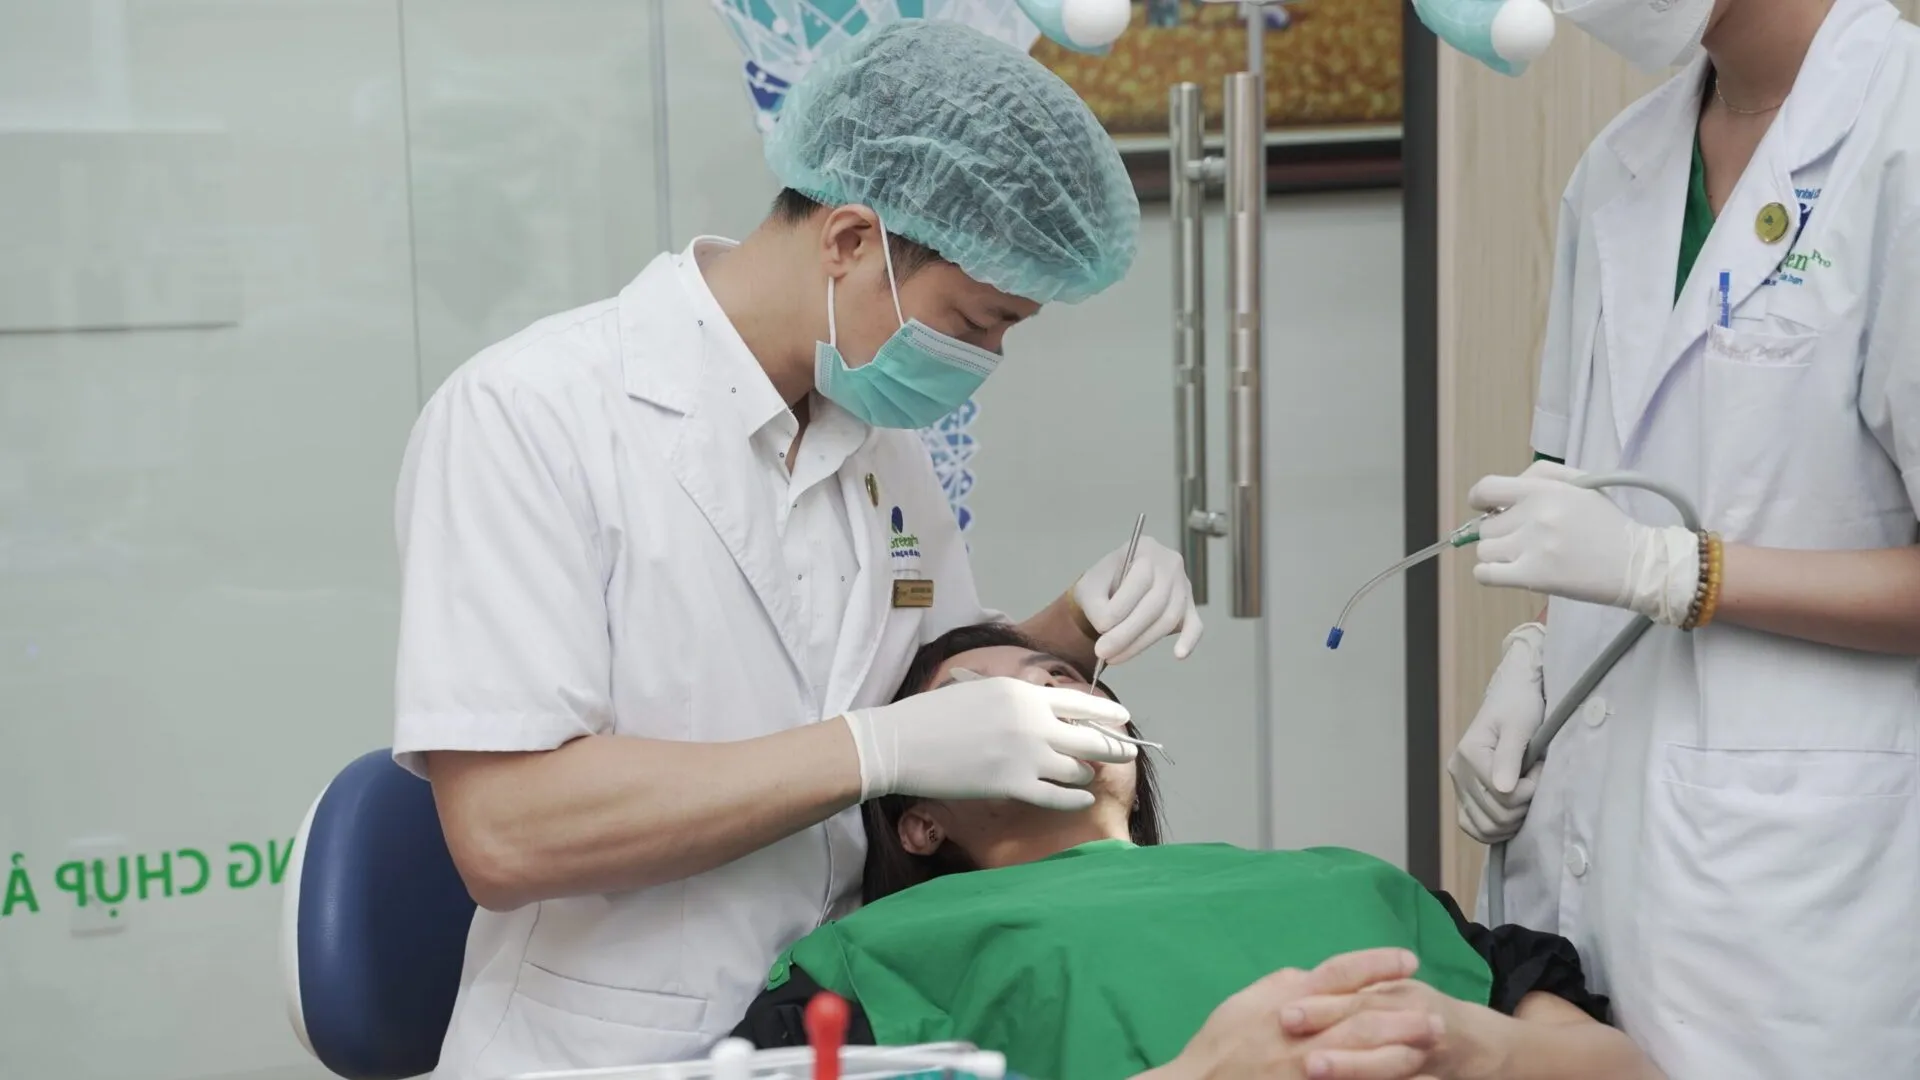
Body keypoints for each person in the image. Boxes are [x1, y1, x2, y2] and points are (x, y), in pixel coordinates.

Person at [390, 21, 1209, 1077]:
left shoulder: (874, 438)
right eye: (976, 321)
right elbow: (507, 834)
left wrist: (1072, 629)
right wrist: (877, 753)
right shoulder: (529, 416)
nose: (987, 357)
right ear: (850, 242)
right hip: (613, 1047)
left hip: (855, 1021)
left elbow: (927, 682)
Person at [1419, 0, 1920, 1074]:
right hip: (1598, 852)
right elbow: (1582, 483)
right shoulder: (1622, 163)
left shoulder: (1902, 142)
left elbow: (1640, 549)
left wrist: (1681, 572)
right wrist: (1535, 659)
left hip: (1803, 902)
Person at [732, 624, 1664, 1080]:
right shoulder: (878, 953)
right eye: (973, 700)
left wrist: (1468, 1044)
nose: (1044, 695)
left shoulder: (1348, 878)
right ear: (919, 822)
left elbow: (1626, 1071)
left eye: (1061, 675)